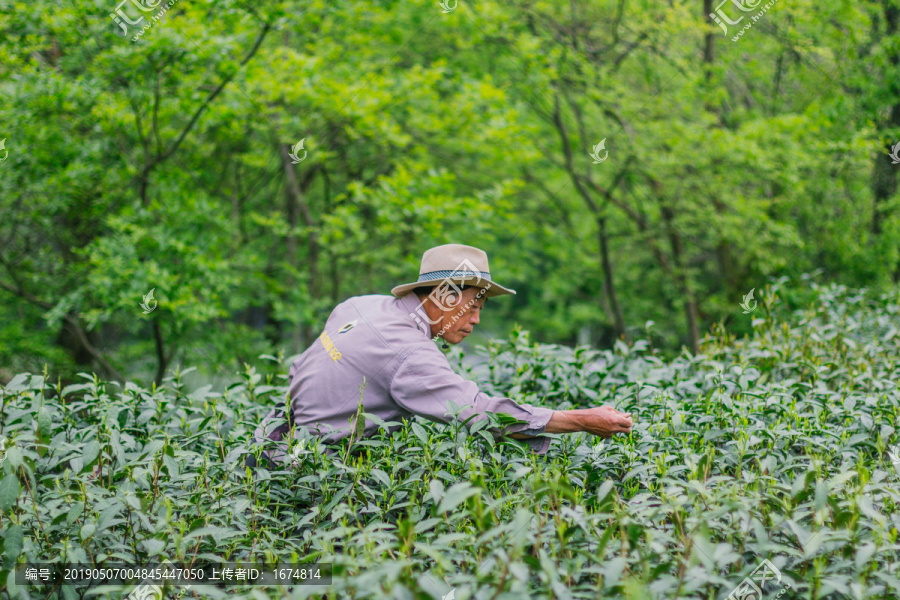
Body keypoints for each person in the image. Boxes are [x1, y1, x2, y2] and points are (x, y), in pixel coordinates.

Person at [246, 243, 633, 470]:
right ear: (444, 296)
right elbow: (479, 413)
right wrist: (581, 420)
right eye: (474, 305)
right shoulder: (409, 351)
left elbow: (301, 369)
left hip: (269, 449)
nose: (478, 319)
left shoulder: (359, 306)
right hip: (313, 477)